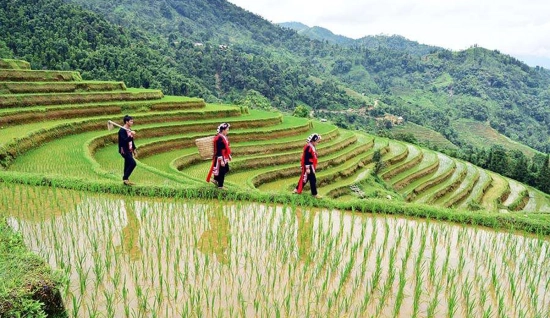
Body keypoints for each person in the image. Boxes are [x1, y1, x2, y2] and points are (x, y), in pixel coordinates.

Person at [294, 133, 321, 198]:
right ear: (313, 140)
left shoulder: (312, 146)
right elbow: (306, 157)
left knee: (305, 179)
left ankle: (296, 189)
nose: (317, 143)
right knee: (312, 179)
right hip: (309, 165)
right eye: (317, 141)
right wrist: (308, 168)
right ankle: (314, 194)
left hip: (310, 165)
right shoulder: (308, 147)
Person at [206, 123, 232, 189]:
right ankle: (220, 186)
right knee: (222, 171)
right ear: (223, 130)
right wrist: (222, 160)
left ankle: (216, 180)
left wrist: (229, 155)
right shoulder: (219, 138)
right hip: (220, 157)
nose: (228, 131)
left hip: (224, 156)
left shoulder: (223, 137)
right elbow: (219, 149)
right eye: (227, 130)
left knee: (226, 169)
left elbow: (226, 147)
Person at [118, 115, 137, 186]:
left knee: (127, 164)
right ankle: (125, 178)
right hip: (124, 150)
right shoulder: (122, 131)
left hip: (129, 149)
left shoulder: (129, 129)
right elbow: (124, 141)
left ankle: (126, 180)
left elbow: (131, 141)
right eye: (131, 121)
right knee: (133, 163)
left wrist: (134, 149)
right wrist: (130, 135)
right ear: (127, 122)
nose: (132, 122)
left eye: (132, 121)